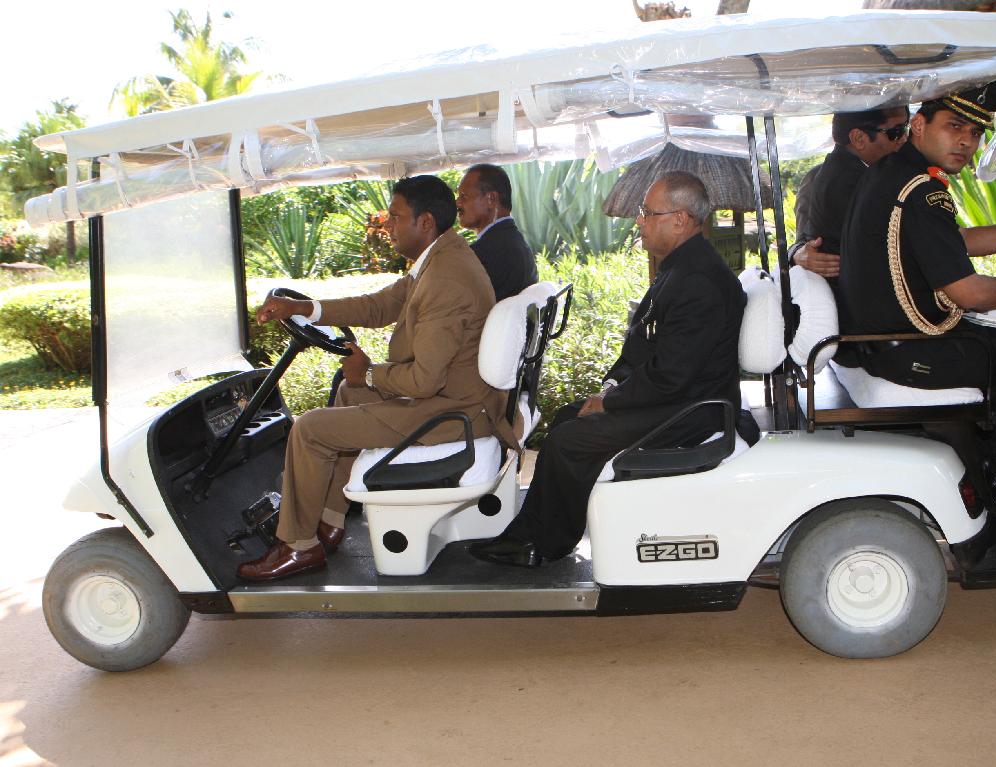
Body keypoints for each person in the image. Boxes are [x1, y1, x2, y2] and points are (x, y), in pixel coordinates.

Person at [838, 80, 996, 553]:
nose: (966, 141)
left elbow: (955, 243)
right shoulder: (923, 191)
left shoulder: (891, 173)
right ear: (918, 125)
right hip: (915, 350)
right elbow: (969, 293)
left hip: (882, 343)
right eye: (954, 126)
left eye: (975, 133)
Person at [470, 171, 759, 567]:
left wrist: (610, 402)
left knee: (569, 440)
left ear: (680, 220)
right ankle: (540, 530)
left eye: (648, 213)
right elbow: (649, 352)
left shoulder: (698, 281)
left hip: (691, 412)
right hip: (677, 400)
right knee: (568, 417)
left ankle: (539, 543)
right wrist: (610, 389)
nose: (640, 220)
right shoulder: (682, 268)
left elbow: (671, 375)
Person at [238, 175, 510, 581]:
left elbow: (424, 382)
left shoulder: (446, 280)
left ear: (425, 222)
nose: (388, 225)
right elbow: (379, 306)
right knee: (349, 393)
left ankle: (298, 545)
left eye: (396, 217)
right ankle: (331, 520)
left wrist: (368, 372)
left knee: (310, 429)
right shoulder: (441, 256)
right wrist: (302, 308)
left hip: (453, 412)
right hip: (451, 399)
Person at [791, 106, 911, 281]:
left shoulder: (874, 172)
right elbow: (808, 238)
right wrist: (795, 253)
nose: (905, 138)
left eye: (906, 127)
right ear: (858, 138)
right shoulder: (839, 180)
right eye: (896, 132)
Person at [456, 163, 539, 301]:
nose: (457, 203)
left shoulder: (483, 254)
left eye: (464, 196)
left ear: (491, 199)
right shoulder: (516, 242)